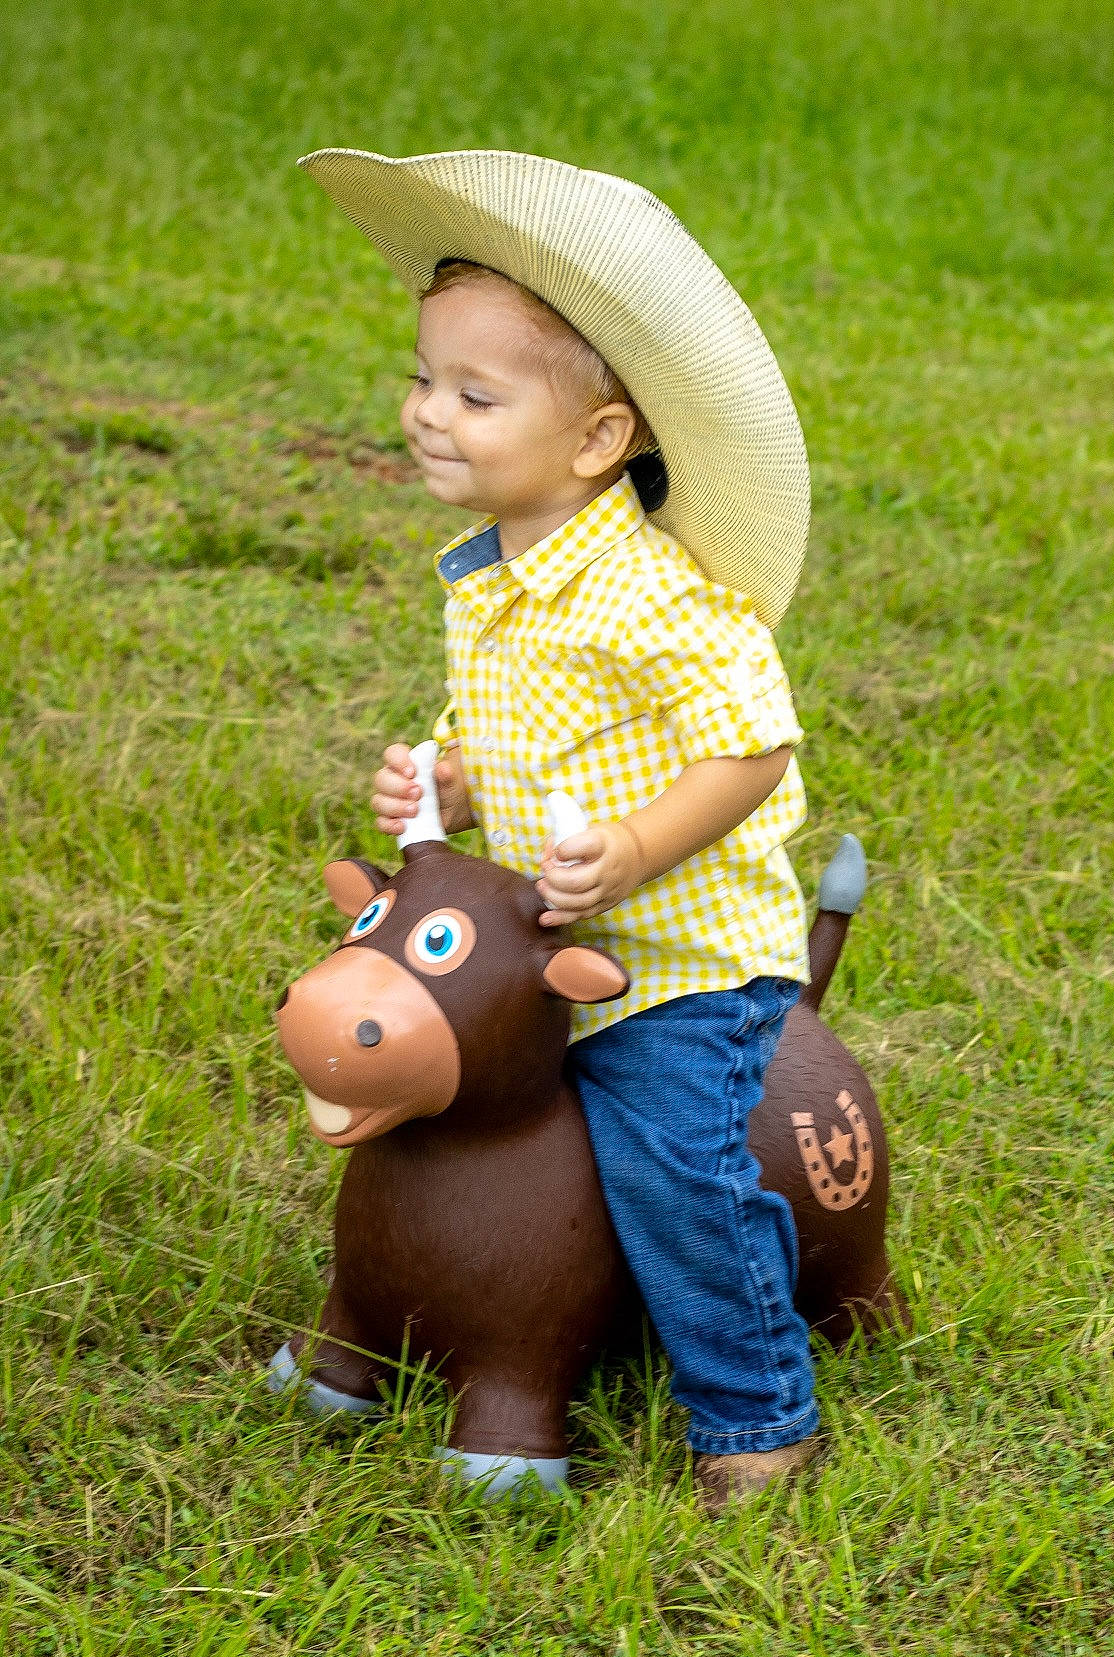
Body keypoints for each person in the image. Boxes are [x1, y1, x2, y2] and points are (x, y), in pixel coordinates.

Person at [302, 147, 819, 1512]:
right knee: (479, 1137)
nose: (426, 413)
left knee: (669, 1168)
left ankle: (756, 1415)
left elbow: (753, 746)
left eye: (474, 395)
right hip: (540, 961)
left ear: (597, 443)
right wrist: (454, 787)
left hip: (674, 958)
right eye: (422, 378)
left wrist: (639, 850)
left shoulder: (653, 592)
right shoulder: (496, 576)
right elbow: (527, 731)